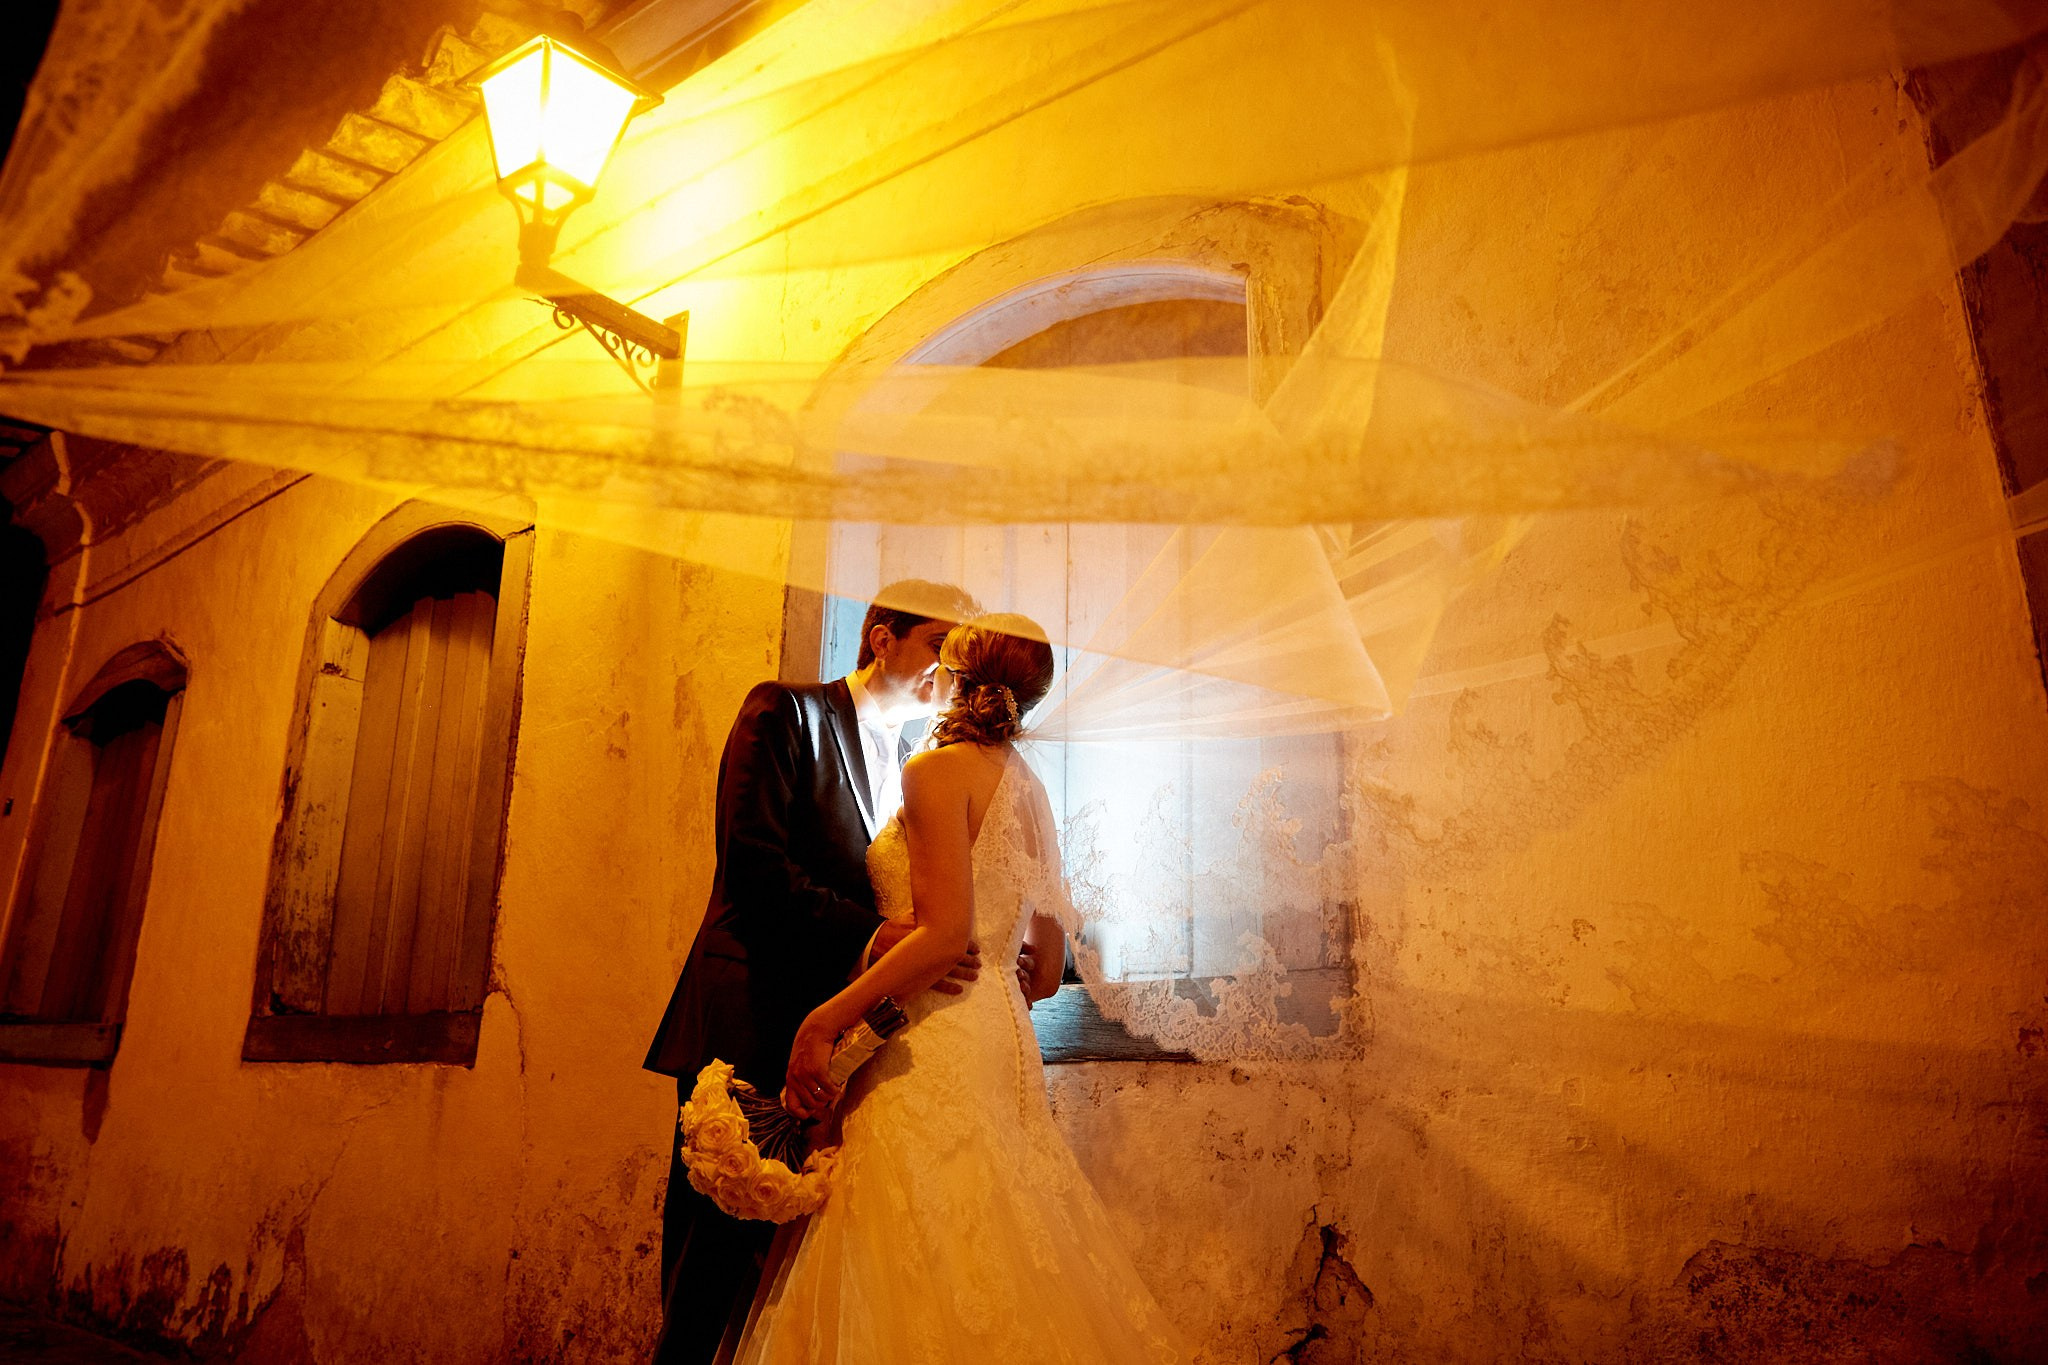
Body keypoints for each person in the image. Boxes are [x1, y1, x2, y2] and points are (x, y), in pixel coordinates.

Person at [736, 614, 1191, 1364]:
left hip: (934, 1036)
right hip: (1001, 1039)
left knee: (912, 1233)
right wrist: (999, 962)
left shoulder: (935, 771)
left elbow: (945, 934)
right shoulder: (1031, 788)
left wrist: (824, 1018)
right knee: (998, 1235)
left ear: (955, 674)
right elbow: (1043, 971)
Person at [642, 581, 987, 1365]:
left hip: (824, 1042)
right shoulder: (784, 711)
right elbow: (754, 867)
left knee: (774, 1280)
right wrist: (877, 937)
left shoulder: (912, 763)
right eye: (939, 645)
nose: (950, 670)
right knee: (711, 1266)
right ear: (881, 638)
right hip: (748, 1013)